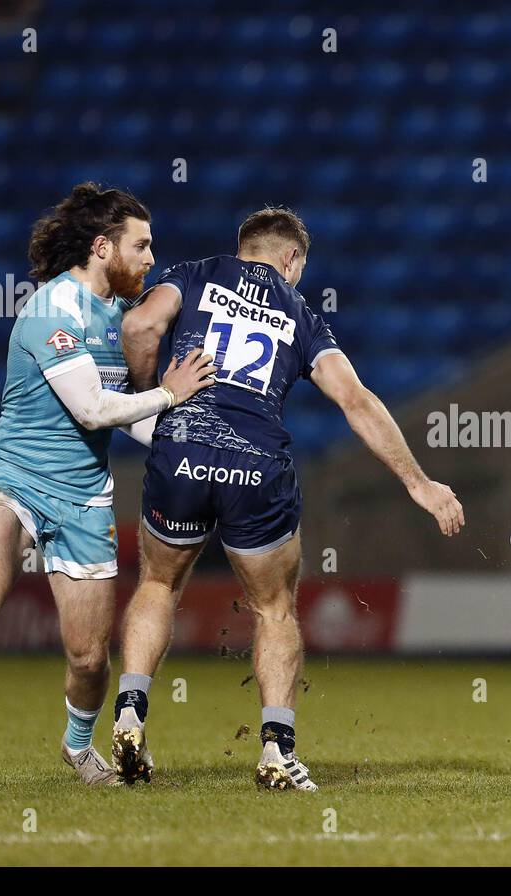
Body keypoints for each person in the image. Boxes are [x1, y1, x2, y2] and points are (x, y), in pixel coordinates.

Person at [112, 207, 464, 791]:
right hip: (256, 466)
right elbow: (355, 401)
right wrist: (418, 483)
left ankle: (130, 711)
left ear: (243, 246)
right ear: (292, 259)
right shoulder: (301, 313)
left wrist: (151, 396)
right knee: (273, 607)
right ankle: (276, 750)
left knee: (157, 583)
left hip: (182, 450)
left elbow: (139, 328)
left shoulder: (196, 273)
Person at [0, 183, 214, 788]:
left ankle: (78, 744)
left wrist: (194, 450)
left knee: (89, 658)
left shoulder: (124, 319)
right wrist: (170, 394)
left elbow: (130, 421)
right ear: (101, 246)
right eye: (140, 246)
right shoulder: (50, 311)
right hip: (15, 476)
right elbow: (91, 410)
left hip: (85, 495)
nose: (150, 259)